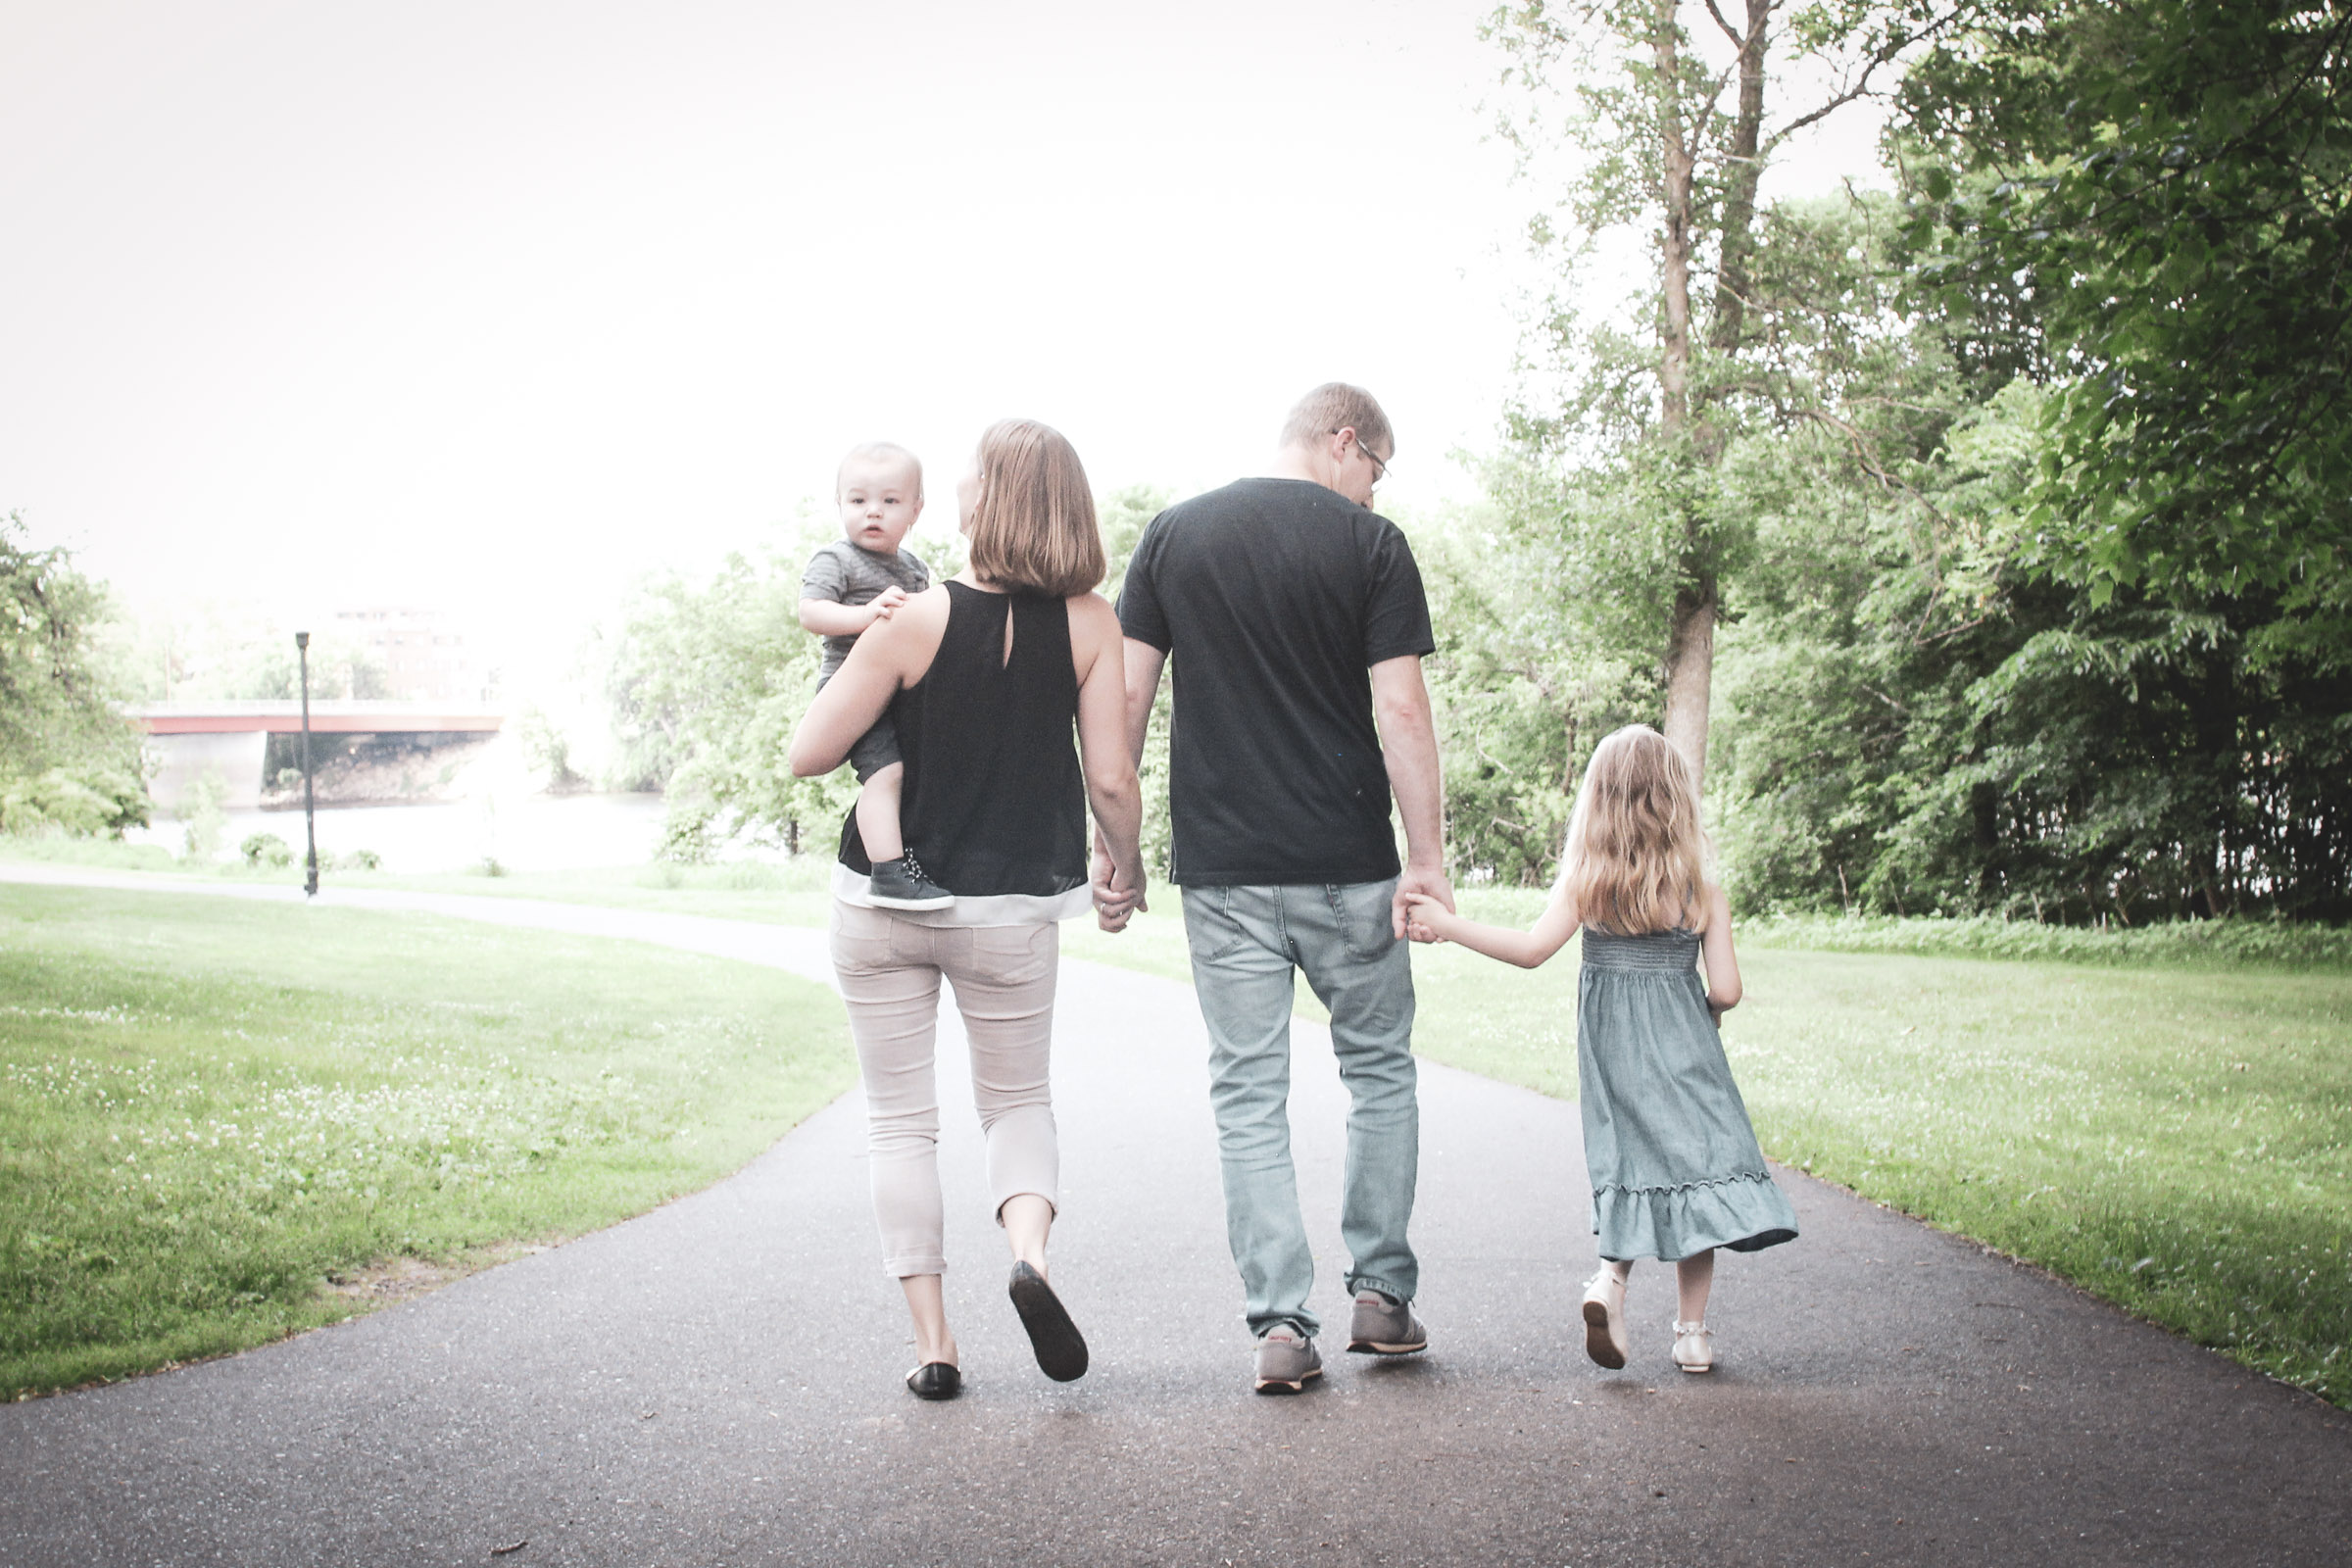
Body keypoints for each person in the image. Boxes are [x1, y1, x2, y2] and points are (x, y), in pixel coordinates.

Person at [789, 419, 1147, 1401]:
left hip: (883, 903)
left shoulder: (911, 616)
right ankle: (1028, 1256)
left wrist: (874, 659)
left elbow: (809, 753)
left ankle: (935, 1346)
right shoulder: (1092, 622)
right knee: (1017, 1103)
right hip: (1011, 909)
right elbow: (1111, 777)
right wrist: (1126, 868)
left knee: (901, 1123)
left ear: (984, 500)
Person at [1105, 381, 1452, 1394]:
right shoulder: (1370, 546)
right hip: (1349, 862)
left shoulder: (1173, 536)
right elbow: (1401, 708)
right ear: (1344, 441)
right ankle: (1380, 1296)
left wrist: (1118, 848)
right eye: (1376, 471)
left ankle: (1283, 1327)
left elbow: (1124, 702)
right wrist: (1426, 859)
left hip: (1223, 872)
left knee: (1249, 1094)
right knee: (1378, 1070)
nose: (1375, 494)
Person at [1400, 723, 1798, 1374]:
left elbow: (1531, 951)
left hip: (1615, 1056)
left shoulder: (1588, 887)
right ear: (1676, 802)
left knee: (1629, 1163)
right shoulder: (1702, 894)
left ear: (1599, 803)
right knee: (1697, 1176)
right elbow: (1727, 989)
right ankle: (1692, 1335)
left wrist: (1447, 925)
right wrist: (1703, 1009)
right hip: (1689, 1054)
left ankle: (1610, 1281)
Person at [798, 441, 951, 909]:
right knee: (885, 773)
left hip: (900, 690)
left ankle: (925, 855)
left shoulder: (914, 568)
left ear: (916, 510)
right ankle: (888, 872)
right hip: (850, 690)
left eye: (890, 500)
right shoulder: (836, 559)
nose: (873, 511)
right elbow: (811, 612)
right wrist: (866, 616)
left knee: (921, 769)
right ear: (839, 504)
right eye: (858, 500)